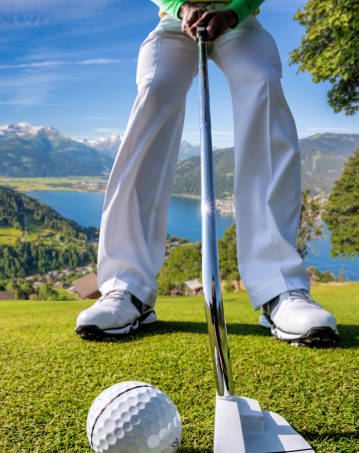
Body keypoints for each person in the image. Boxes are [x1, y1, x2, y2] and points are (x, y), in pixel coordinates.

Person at [76, 1, 338, 346]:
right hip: (175, 22)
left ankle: (280, 287)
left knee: (262, 81)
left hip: (240, 20)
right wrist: (180, 6)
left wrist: (234, 12)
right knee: (156, 89)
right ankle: (127, 286)